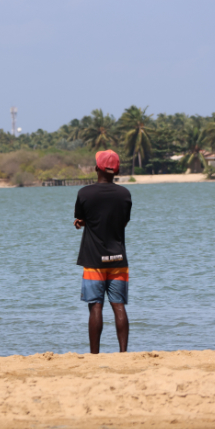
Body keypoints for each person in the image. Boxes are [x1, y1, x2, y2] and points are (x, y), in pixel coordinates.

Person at [74, 150, 132, 354]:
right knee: (119, 306)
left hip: (93, 260)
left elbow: (83, 218)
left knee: (95, 306)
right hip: (118, 259)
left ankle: (94, 354)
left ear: (96, 168)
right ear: (116, 170)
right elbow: (123, 222)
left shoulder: (84, 193)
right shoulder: (125, 194)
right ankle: (123, 353)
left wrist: (81, 223)